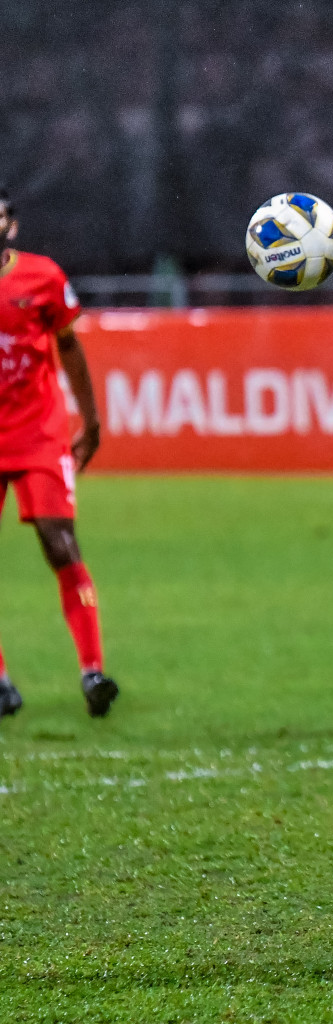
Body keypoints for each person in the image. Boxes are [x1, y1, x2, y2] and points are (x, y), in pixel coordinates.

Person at [0, 186, 118, 718]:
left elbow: (69, 346)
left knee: (59, 541)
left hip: (38, 431)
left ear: (13, 226)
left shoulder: (42, 278)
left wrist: (89, 421)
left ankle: (93, 671)